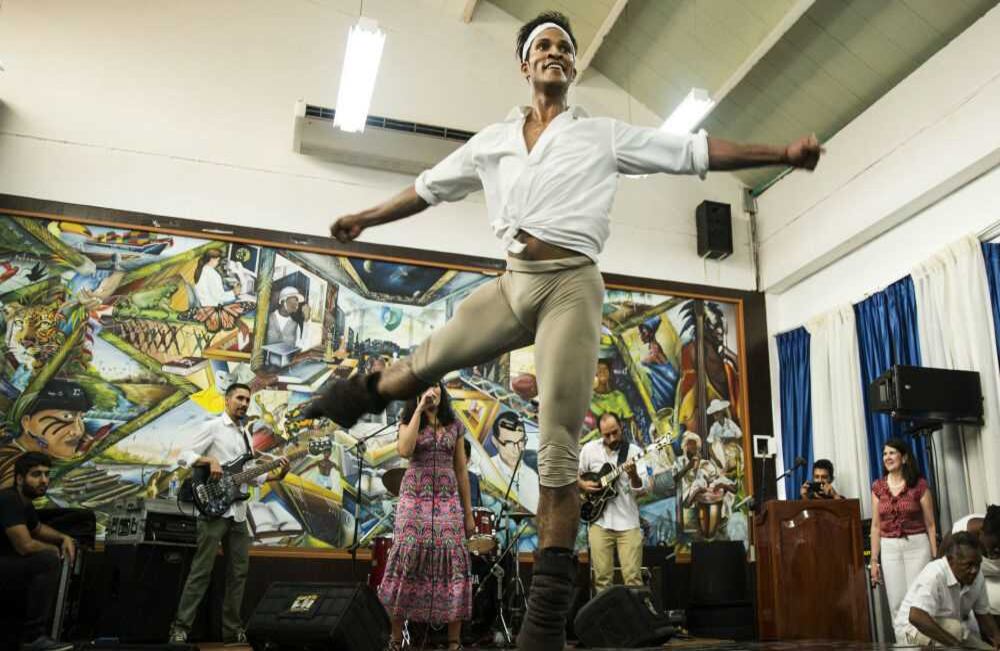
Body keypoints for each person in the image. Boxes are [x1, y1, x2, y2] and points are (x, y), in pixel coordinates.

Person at [307, 12, 822, 649]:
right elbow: (427, 188)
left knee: (555, 449)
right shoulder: (493, 140)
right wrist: (365, 217)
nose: (554, 54)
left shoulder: (601, 134)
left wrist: (782, 155)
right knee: (427, 361)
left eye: (563, 49)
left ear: (573, 68)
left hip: (572, 286)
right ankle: (355, 396)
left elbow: (693, 151)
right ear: (525, 66)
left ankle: (544, 620)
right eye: (542, 47)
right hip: (512, 282)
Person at [168, 383, 289, 645]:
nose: (244, 403)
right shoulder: (213, 427)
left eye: (248, 400)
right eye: (240, 398)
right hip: (213, 510)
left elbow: (251, 476)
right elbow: (181, 455)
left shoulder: (246, 435)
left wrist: (279, 473)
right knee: (201, 571)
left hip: (237, 513)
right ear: (227, 400)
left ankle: (232, 630)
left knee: (239, 574)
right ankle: (180, 628)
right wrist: (208, 461)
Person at [378, 384, 474, 651]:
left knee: (453, 561)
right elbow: (404, 451)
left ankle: (454, 641)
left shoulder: (454, 424)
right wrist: (420, 409)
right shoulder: (409, 420)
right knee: (408, 560)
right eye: (427, 385)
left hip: (447, 501)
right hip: (414, 501)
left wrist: (468, 513)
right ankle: (396, 639)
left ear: (442, 391)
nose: (433, 390)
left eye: (436, 385)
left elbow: (461, 471)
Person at [0, 452, 76, 651]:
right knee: (46, 560)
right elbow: (24, 546)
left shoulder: (23, 502)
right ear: (19, 479)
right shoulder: (9, 500)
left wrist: (63, 538)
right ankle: (33, 638)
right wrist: (53, 549)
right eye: (36, 475)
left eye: (46, 474)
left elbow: (38, 528)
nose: (44, 480)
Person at [578, 412, 648, 593]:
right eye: (606, 435)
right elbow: (574, 476)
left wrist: (633, 475)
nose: (611, 437)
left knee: (633, 578)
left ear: (621, 427)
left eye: (615, 432)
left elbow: (641, 489)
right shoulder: (589, 450)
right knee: (602, 580)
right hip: (599, 522)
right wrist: (583, 485)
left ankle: (635, 620)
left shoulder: (634, 452)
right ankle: (605, 621)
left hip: (628, 523)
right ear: (600, 433)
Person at [894, 532, 1000, 649]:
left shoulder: (977, 576)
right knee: (955, 629)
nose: (974, 570)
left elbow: (983, 613)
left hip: (948, 630)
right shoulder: (935, 574)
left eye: (978, 564)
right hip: (912, 631)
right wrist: (956, 646)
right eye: (968, 565)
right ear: (950, 560)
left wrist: (997, 638)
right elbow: (916, 617)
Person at [870, 438, 937, 618]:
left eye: (892, 453)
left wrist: (935, 555)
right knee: (896, 603)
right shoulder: (878, 487)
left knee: (919, 600)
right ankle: (904, 645)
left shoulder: (919, 484)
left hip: (917, 546)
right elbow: (875, 527)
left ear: (904, 458)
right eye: (885, 453)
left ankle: (924, 643)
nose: (887, 457)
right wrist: (874, 560)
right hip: (889, 548)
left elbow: (930, 524)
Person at [0, 379, 93, 489]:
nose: (78, 431)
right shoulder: (17, 470)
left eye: (81, 418)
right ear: (27, 423)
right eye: (66, 416)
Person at [952, 506, 1000, 627]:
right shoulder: (960, 533)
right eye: (994, 545)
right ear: (982, 533)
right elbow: (943, 566)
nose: (997, 550)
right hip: (971, 592)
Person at [489, 411, 539, 513]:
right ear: (495, 441)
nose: (516, 449)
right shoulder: (485, 469)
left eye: (521, 441)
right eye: (509, 443)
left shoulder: (533, 476)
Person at [589, 360, 635, 442]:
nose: (602, 371)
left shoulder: (618, 395)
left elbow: (630, 419)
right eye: (598, 369)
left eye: (605, 368)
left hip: (622, 436)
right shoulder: (591, 399)